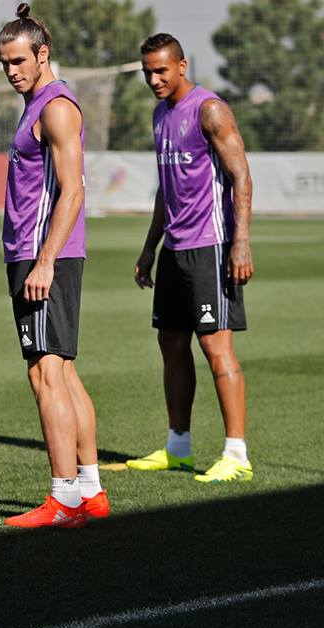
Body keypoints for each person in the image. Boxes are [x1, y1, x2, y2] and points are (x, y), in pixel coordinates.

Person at [0, 4, 108, 528]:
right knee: (62, 372)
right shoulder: (36, 102)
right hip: (36, 255)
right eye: (5, 63)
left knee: (44, 372)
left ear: (43, 54)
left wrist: (43, 262)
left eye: (20, 60)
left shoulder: (56, 107)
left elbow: (74, 190)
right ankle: (89, 490)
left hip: (45, 258)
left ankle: (63, 499)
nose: (13, 71)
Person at [128, 33, 254, 483]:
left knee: (216, 347)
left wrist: (240, 242)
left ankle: (236, 454)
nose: (154, 79)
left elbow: (241, 176)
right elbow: (167, 187)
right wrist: (149, 247)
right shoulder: (160, 114)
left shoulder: (210, 109)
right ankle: (178, 447)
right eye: (148, 72)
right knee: (171, 343)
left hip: (211, 248)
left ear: (182, 66)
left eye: (161, 70)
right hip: (175, 251)